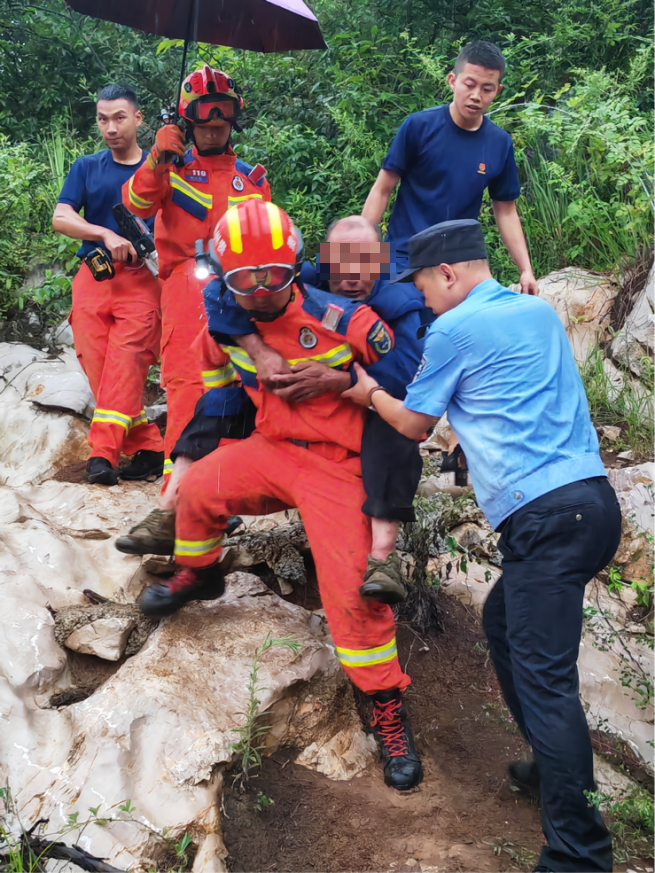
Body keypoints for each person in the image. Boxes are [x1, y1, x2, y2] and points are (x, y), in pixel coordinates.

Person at [345, 218, 622, 873]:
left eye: (422, 286)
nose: (422, 301)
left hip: (544, 518)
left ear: (447, 273)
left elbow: (414, 422)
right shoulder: (534, 312)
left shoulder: (453, 328)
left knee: (548, 684)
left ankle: (578, 854)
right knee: (501, 622)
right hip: (592, 503)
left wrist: (368, 391)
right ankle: (548, 767)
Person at [133, 199, 423, 792]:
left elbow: (409, 382)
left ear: (294, 266)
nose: (261, 290)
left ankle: (387, 706)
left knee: (351, 594)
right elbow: (215, 392)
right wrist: (189, 455)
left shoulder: (346, 319)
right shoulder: (226, 322)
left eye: (272, 276)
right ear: (225, 279)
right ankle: (198, 572)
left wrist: (344, 382)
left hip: (338, 466)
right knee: (197, 490)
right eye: (244, 279)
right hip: (271, 449)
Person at [117, 216, 425, 605]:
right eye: (342, 263)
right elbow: (218, 294)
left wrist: (340, 380)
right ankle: (187, 551)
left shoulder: (401, 305)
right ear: (324, 262)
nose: (352, 274)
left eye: (365, 262)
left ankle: (384, 555)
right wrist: (259, 353)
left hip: (357, 435)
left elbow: (405, 380)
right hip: (281, 428)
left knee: (394, 435)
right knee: (215, 405)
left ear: (380, 262)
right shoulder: (301, 280)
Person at [123, 65, 271, 479]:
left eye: (221, 116)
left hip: (237, 285)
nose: (212, 127)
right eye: (204, 116)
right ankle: (180, 487)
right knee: (187, 384)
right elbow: (136, 204)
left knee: (237, 383)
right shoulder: (171, 167)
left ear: (233, 118)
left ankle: (225, 485)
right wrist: (156, 157)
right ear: (188, 119)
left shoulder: (252, 180)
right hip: (185, 284)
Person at [362, 40, 539, 297]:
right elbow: (382, 189)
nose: (476, 95)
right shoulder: (418, 127)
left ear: (497, 91)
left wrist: (526, 270)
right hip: (403, 258)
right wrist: (357, 251)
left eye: (487, 88)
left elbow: (506, 211)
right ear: (452, 81)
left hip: (459, 266)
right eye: (469, 84)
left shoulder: (499, 143)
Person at [53, 84, 165, 486]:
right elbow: (61, 216)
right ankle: (151, 447)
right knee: (96, 362)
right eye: (103, 119)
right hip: (94, 274)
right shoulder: (87, 166)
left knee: (126, 364)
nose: (110, 127)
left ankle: (102, 456)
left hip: (143, 281)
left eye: (119, 117)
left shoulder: (159, 169)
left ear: (139, 118)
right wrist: (104, 234)